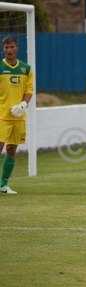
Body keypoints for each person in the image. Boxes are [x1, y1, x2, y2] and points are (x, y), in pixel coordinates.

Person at [0, 36, 33, 194]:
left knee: (12, 149)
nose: (9, 50)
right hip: (2, 116)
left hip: (18, 117)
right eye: (6, 47)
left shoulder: (26, 69)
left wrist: (23, 104)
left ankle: (3, 185)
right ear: (3, 49)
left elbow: (29, 91)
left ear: (17, 48)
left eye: (12, 47)